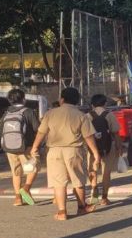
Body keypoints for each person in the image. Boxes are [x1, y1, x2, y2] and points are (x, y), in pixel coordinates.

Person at [29, 86, 100, 221]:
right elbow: (88, 136)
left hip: (54, 151)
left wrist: (34, 147)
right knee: (78, 179)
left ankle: (62, 212)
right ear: (77, 101)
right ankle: (82, 207)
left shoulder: (50, 114)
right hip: (74, 150)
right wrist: (96, 154)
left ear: (61, 99)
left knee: (58, 182)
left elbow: (41, 132)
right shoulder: (81, 115)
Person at [1, 88, 40, 207]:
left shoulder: (6, 113)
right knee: (33, 168)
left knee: (16, 172)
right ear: (23, 99)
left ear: (10, 100)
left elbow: (1, 131)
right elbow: (37, 129)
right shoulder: (28, 111)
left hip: (9, 148)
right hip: (26, 147)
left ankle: (18, 198)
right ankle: (26, 188)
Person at [87, 94, 121, 206]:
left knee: (92, 170)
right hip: (108, 146)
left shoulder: (87, 116)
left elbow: (85, 134)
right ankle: (104, 198)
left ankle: (94, 189)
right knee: (106, 172)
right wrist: (119, 147)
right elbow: (115, 132)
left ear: (92, 104)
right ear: (105, 103)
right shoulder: (109, 115)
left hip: (92, 148)